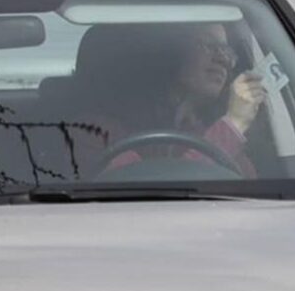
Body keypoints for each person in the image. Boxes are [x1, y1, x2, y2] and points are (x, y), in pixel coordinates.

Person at [76, 23, 265, 178]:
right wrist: (233, 125)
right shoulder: (94, 132)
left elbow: (248, 190)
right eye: (208, 45)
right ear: (167, 53)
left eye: (226, 51)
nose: (222, 59)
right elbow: (155, 197)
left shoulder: (204, 131)